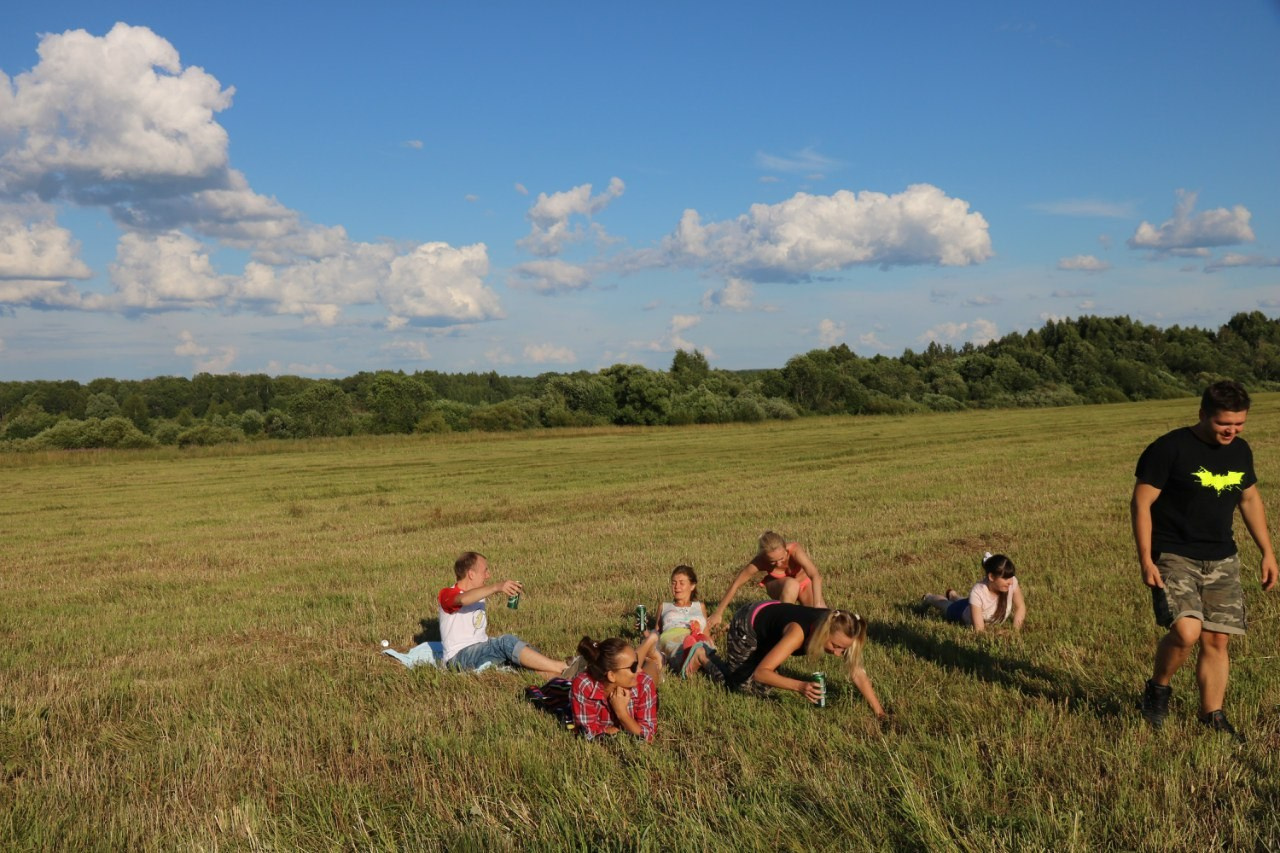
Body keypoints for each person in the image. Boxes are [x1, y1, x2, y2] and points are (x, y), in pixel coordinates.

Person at [1132, 380, 1277, 740]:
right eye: (1224, 423)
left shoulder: (1240, 451)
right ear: (1203, 415)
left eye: (1239, 423)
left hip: (1222, 558)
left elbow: (1249, 500)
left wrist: (1268, 552)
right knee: (1186, 630)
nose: (1232, 430)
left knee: (1217, 641)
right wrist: (1146, 560)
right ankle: (1158, 688)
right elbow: (1141, 503)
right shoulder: (1169, 449)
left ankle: (1212, 715)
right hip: (1174, 554)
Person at [721, 601, 885, 718]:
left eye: (844, 649)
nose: (837, 653)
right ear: (823, 633)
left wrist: (879, 712)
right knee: (738, 687)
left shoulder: (841, 628)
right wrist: (799, 686)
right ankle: (704, 658)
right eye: (835, 646)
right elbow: (761, 673)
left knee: (761, 692)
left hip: (772, 628)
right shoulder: (797, 634)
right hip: (748, 622)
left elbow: (858, 674)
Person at [437, 551, 567, 678]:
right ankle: (562, 666)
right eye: (485, 571)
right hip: (458, 658)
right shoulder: (447, 594)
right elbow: (462, 599)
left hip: (480, 649)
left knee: (520, 662)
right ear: (471, 574)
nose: (488, 575)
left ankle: (565, 677)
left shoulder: (478, 594)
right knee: (505, 642)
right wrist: (496, 587)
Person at [707, 531, 827, 629]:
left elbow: (815, 575)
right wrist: (718, 613)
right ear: (764, 556)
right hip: (780, 586)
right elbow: (736, 584)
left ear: (786, 549)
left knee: (823, 620)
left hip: (805, 584)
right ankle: (783, 625)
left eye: (782, 558)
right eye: (773, 561)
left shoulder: (795, 550)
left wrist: (817, 605)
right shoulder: (759, 561)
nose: (779, 563)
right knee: (792, 585)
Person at [570, 635, 659, 742]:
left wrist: (622, 714)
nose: (639, 670)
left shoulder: (645, 684)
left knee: (652, 668)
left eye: (637, 662)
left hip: (645, 683)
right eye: (633, 667)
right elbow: (586, 732)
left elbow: (648, 736)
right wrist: (626, 728)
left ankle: (653, 658)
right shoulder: (584, 686)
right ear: (611, 675)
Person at [921, 553, 1026, 633]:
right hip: (964, 612)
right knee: (946, 605)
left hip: (974, 604)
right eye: (1005, 578)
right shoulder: (977, 592)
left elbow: (1020, 606)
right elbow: (979, 630)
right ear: (991, 577)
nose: (1010, 582)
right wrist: (995, 633)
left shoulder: (1012, 583)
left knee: (965, 601)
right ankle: (929, 597)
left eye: (1011, 577)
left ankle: (953, 595)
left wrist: (1014, 631)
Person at [658, 565, 723, 679]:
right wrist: (642, 629)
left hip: (698, 637)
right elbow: (656, 632)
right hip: (673, 639)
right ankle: (706, 664)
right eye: (673, 583)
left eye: (682, 583)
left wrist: (721, 632)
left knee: (700, 645)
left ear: (692, 586)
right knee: (697, 648)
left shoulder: (700, 606)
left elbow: (706, 634)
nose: (677, 587)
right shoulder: (664, 607)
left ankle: (692, 662)